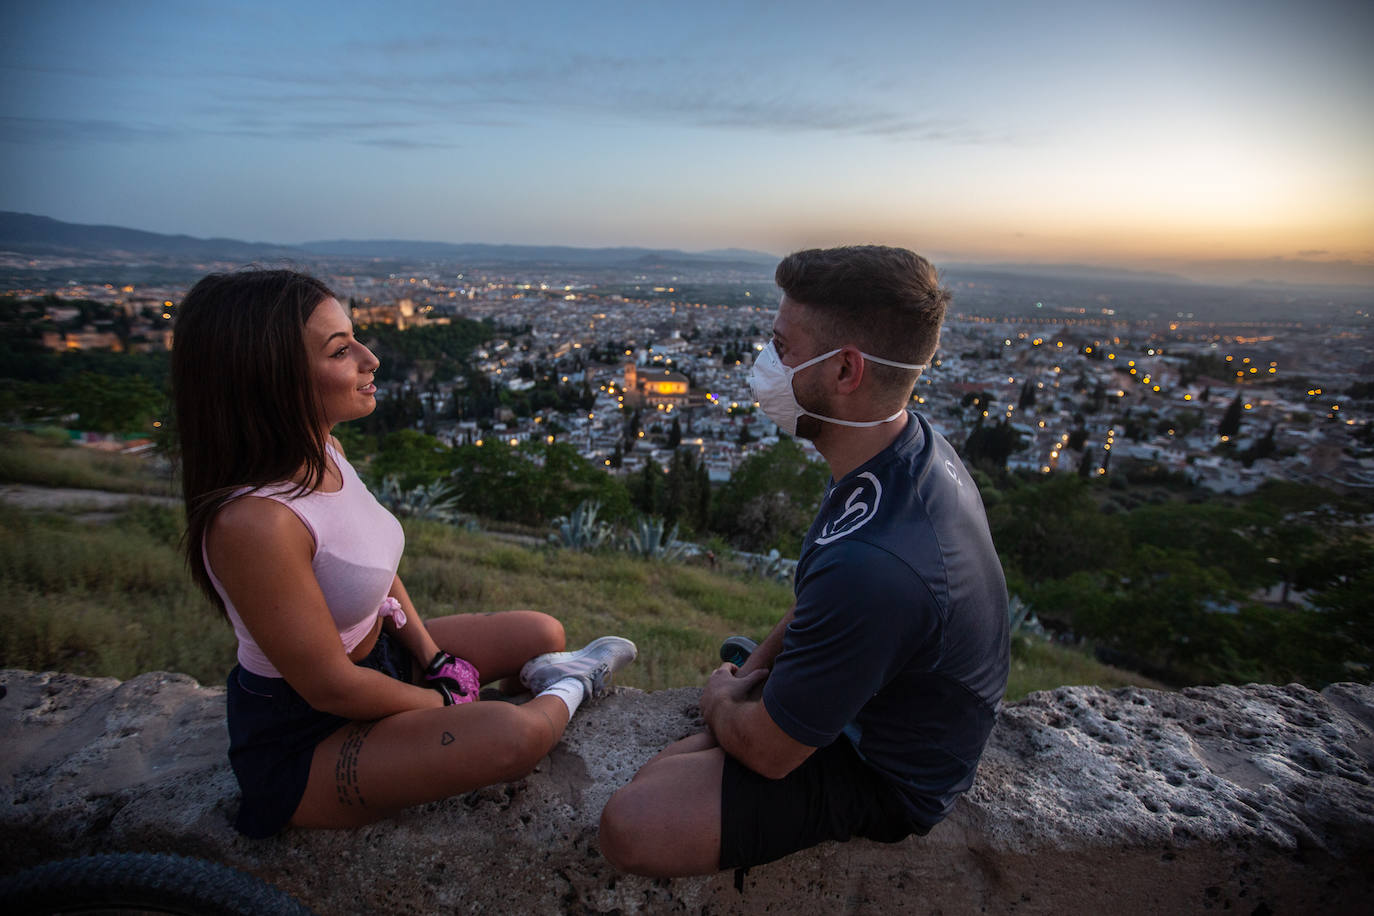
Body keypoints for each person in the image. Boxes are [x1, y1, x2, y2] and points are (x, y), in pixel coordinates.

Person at [172, 268, 636, 838]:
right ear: (269, 379)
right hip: (309, 733)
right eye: (341, 350)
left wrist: (434, 658)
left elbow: (378, 573)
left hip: (383, 660)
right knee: (514, 737)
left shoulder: (326, 451)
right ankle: (573, 685)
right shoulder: (255, 523)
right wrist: (443, 705)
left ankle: (507, 693)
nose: (371, 359)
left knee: (542, 632)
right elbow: (329, 686)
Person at [599, 246, 1009, 875]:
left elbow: (768, 754)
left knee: (633, 822)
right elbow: (821, 598)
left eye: (782, 347)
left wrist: (719, 702)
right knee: (676, 762)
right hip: (884, 694)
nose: (766, 362)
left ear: (846, 370)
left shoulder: (878, 563)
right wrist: (752, 672)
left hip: (890, 768)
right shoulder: (905, 451)